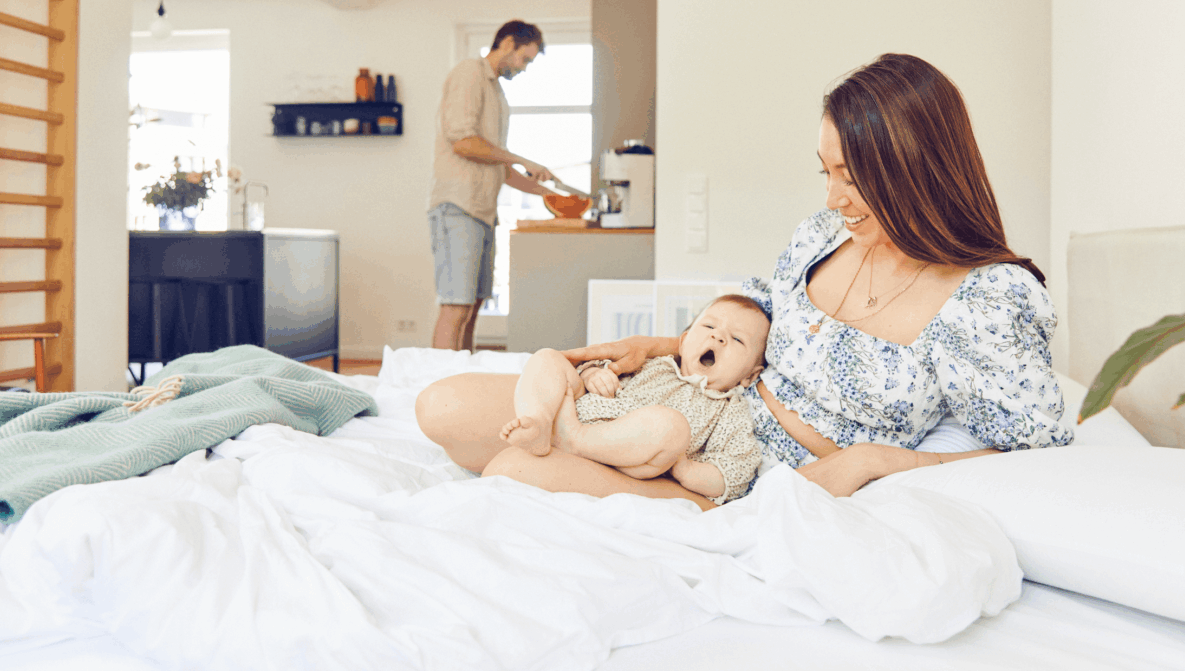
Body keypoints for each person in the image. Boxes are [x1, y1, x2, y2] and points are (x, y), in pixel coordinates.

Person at [415, 53, 1073, 511]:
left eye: (854, 177)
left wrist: (879, 460)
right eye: (828, 173)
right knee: (439, 406)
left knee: (510, 470)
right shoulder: (822, 237)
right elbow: (757, 317)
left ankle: (593, 450)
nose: (837, 197)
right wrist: (664, 345)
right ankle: (588, 434)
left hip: (731, 471)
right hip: (695, 393)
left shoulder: (987, 299)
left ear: (917, 168)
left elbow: (1038, 457)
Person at [499, 295, 770, 505]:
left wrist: (685, 469)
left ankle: (574, 439)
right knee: (547, 358)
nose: (717, 335)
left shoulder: (729, 410)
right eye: (709, 325)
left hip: (632, 454)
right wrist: (594, 374)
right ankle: (539, 421)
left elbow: (735, 472)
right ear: (684, 341)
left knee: (671, 426)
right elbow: (592, 370)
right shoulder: (655, 363)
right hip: (584, 410)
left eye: (736, 339)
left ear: (750, 376)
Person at [428, 19, 562, 352]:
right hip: (459, 206)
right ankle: (438, 387)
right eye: (524, 59)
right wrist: (520, 158)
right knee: (456, 306)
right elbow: (462, 142)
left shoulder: (497, 92)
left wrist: (548, 192)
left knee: (472, 308)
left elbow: (496, 166)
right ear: (508, 44)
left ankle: (464, 381)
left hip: (483, 212)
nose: (524, 68)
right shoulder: (469, 73)